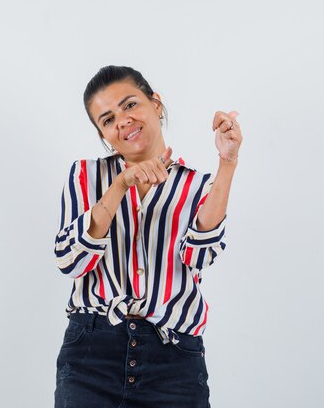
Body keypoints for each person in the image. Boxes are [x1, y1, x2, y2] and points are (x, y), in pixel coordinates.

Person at [53, 65, 242, 408]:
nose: (122, 121)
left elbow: (201, 255)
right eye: (107, 120)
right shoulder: (86, 175)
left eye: (129, 105)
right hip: (91, 355)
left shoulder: (197, 186)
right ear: (103, 134)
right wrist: (120, 186)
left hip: (173, 361)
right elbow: (71, 260)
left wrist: (227, 162)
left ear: (155, 103)